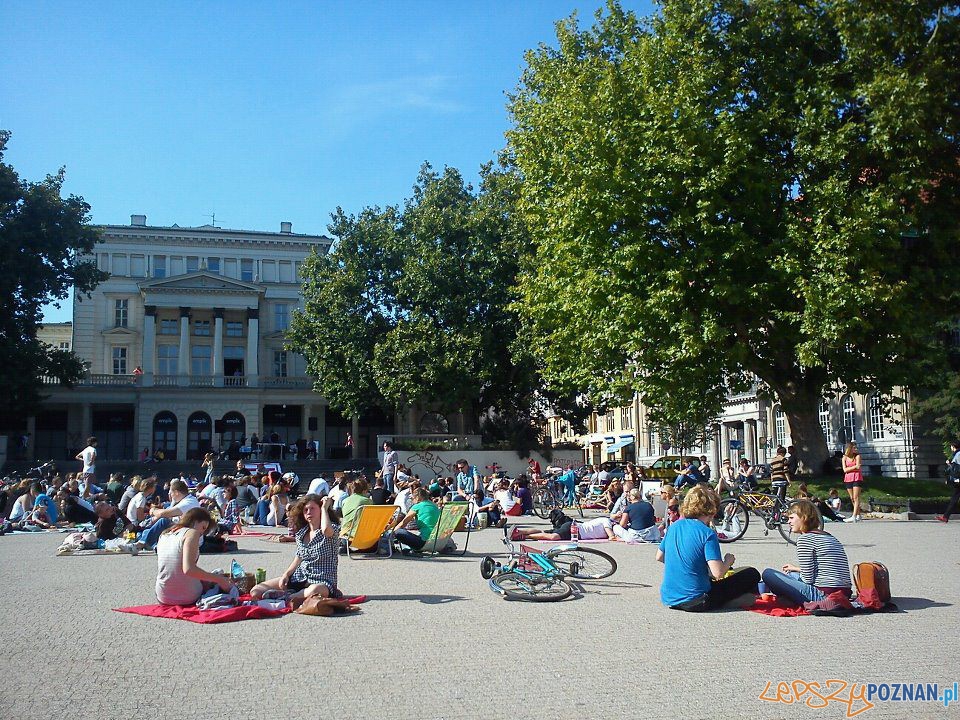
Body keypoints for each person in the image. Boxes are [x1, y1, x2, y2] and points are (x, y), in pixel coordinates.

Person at [656, 484, 760, 611]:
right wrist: (728, 561)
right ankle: (730, 602)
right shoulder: (707, 533)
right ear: (711, 510)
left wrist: (685, 565)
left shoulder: (674, 526)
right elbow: (718, 573)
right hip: (698, 599)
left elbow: (659, 556)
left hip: (670, 597)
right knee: (751, 574)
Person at [251, 494, 343, 604]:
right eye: (306, 510)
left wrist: (324, 508)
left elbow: (326, 530)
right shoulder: (301, 533)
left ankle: (288, 597)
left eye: (313, 508)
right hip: (299, 577)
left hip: (322, 581)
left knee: (315, 590)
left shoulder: (331, 529)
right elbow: (298, 558)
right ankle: (291, 595)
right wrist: (286, 575)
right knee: (256, 590)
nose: (309, 512)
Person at [761, 499, 852, 605]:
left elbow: (807, 579)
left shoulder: (805, 539)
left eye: (791, 518)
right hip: (843, 593)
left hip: (823, 595)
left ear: (803, 518)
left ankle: (788, 598)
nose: (788, 522)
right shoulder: (828, 536)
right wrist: (796, 569)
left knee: (768, 574)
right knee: (792, 574)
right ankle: (788, 597)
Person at [155, 508, 233, 606]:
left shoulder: (165, 534)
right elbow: (189, 569)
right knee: (217, 580)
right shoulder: (191, 533)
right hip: (187, 596)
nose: (202, 533)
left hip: (162, 596)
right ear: (195, 521)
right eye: (203, 527)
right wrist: (219, 579)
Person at [137, 479, 201, 548]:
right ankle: (152, 545)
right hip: (184, 530)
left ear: (176, 492)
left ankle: (141, 544)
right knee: (146, 532)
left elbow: (163, 514)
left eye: (171, 493)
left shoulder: (188, 502)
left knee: (164, 521)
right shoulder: (185, 500)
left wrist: (153, 511)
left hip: (190, 536)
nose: (170, 496)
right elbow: (167, 511)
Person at [388, 487, 440, 552]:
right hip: (438, 541)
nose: (412, 501)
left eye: (412, 498)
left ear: (417, 498)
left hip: (424, 543)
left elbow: (403, 523)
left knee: (398, 532)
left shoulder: (417, 506)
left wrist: (391, 533)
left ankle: (406, 548)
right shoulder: (434, 505)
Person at [510, 510, 615, 542]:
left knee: (545, 532)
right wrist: (613, 537)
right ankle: (523, 536)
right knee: (553, 537)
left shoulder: (606, 521)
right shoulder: (607, 521)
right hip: (574, 529)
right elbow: (611, 535)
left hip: (574, 529)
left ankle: (520, 532)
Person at [937, 440, 960, 523]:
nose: (950, 448)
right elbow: (955, 468)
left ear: (953, 447)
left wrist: (955, 479)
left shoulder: (958, 454)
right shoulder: (957, 454)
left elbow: (957, 469)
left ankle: (945, 517)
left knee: (954, 498)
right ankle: (945, 516)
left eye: (951, 446)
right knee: (954, 498)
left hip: (958, 480)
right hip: (957, 480)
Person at [841, 442, 864, 522]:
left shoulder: (857, 456)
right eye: (854, 448)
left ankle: (854, 516)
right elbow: (845, 470)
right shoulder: (844, 458)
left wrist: (850, 468)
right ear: (849, 449)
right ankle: (858, 515)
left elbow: (858, 467)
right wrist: (854, 467)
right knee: (852, 498)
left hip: (857, 477)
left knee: (856, 497)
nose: (856, 449)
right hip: (848, 478)